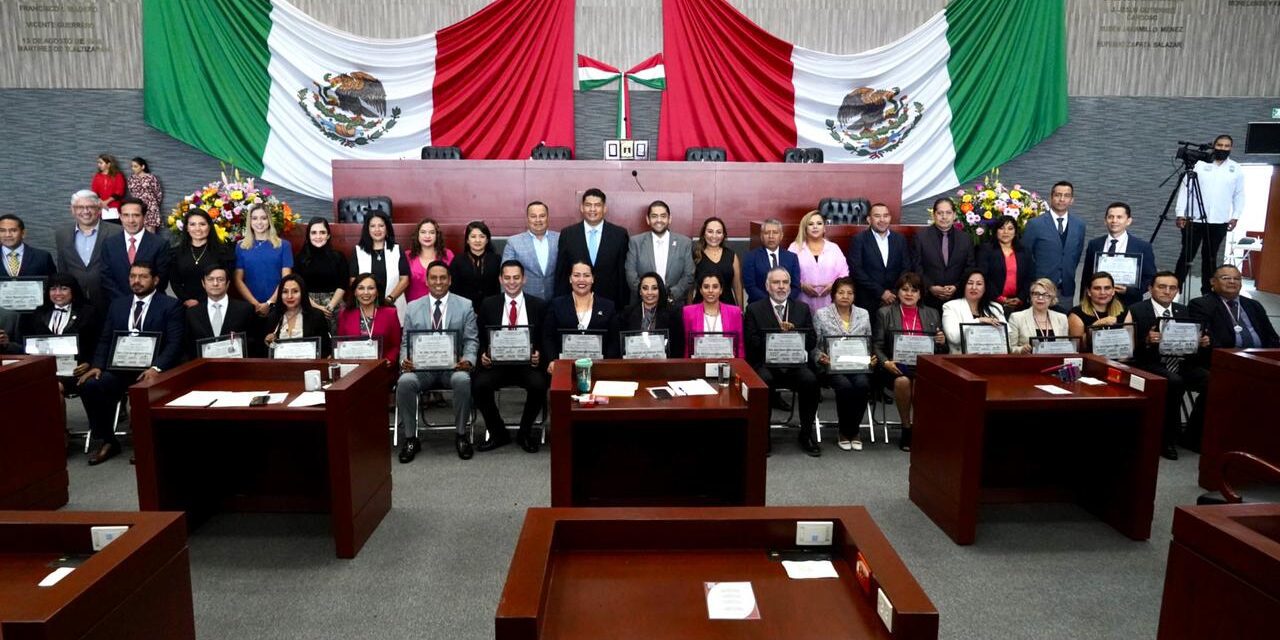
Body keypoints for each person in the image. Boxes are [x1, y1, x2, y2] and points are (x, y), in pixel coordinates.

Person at [77, 261, 184, 465]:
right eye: (133, 276)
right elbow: (106, 338)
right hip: (120, 368)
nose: (137, 281)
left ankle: (144, 443)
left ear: (155, 280)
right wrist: (97, 365)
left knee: (144, 388)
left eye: (143, 276)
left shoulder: (170, 305)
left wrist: (156, 367)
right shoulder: (118, 304)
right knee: (92, 384)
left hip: (153, 369)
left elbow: (175, 343)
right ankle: (107, 440)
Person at [1186, 264, 1280, 450]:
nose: (1232, 282)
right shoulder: (1201, 304)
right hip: (1222, 363)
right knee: (1222, 383)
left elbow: (1271, 336)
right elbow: (1206, 340)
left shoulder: (1253, 305)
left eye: (1236, 278)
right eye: (1226, 278)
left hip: (1259, 361)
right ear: (1213, 282)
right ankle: (1199, 438)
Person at [395, 261, 479, 462]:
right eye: (433, 278)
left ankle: (461, 435)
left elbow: (471, 340)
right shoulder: (413, 307)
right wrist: (404, 361)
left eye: (443, 278)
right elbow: (406, 341)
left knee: (462, 380)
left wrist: (468, 360)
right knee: (405, 382)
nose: (438, 282)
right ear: (426, 281)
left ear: (450, 280)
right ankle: (411, 438)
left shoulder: (465, 305)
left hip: (453, 367)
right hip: (422, 369)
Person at [1123, 271, 1210, 460]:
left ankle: (1192, 435)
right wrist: (1146, 340)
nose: (1167, 291)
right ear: (1150, 288)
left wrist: (1200, 342)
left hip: (1181, 361)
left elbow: (1191, 341)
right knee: (1174, 382)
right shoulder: (1137, 309)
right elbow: (1126, 347)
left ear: (1177, 291)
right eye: (1162, 287)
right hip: (1148, 363)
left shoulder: (1183, 310)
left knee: (1212, 380)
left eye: (1172, 288)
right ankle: (1167, 439)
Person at [472, 260, 547, 454]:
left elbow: (545, 338)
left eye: (516, 278)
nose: (511, 282)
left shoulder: (538, 305)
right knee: (479, 385)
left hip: (527, 364)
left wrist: (540, 354)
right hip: (497, 364)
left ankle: (525, 433)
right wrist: (483, 355)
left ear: (524, 279)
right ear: (500, 279)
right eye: (507, 278)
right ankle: (498, 432)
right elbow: (479, 337)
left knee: (539, 384)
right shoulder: (489, 304)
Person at [744, 267, 820, 456]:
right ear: (767, 286)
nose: (781, 287)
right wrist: (777, 337)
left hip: (795, 364)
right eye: (776, 283)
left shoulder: (801, 308)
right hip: (767, 364)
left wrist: (794, 335)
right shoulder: (754, 308)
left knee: (810, 380)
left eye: (785, 283)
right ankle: (763, 435)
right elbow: (751, 341)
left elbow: (811, 341)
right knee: (763, 381)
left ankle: (806, 433)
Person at [872, 272, 945, 452]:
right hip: (895, 366)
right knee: (903, 381)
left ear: (920, 294)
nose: (909, 294)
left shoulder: (932, 314)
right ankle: (906, 427)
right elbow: (877, 346)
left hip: (923, 366)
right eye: (904, 289)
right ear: (898, 292)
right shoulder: (885, 313)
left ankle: (921, 428)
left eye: (914, 290)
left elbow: (940, 350)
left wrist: (941, 342)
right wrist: (886, 362)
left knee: (924, 382)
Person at [1176, 135, 1246, 295]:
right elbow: (1185, 190)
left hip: (1219, 221)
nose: (1222, 148)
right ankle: (1175, 289)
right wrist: (1180, 213)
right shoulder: (1199, 165)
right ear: (1214, 146)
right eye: (1220, 145)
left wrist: (1235, 216)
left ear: (1231, 148)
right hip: (1194, 219)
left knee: (1210, 258)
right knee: (1186, 256)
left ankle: (1208, 293)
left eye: (1226, 146)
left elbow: (1239, 195)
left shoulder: (1236, 169)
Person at [812, 277, 876, 451]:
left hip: (857, 364)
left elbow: (868, 342)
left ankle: (853, 430)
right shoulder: (821, 314)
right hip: (832, 366)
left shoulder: (863, 314)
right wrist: (821, 357)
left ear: (854, 296)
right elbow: (814, 346)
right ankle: (844, 431)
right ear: (833, 295)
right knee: (845, 385)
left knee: (862, 384)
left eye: (849, 293)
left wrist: (871, 357)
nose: (845, 296)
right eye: (841, 292)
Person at [19, 273, 99, 395]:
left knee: (51, 388)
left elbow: (97, 343)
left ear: (73, 290)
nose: (58, 293)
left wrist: (89, 363)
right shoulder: (38, 313)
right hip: (43, 369)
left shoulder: (88, 312)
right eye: (53, 289)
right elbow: (27, 344)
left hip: (75, 370)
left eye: (64, 289)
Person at [554, 188, 629, 306]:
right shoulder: (568, 234)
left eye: (597, 205)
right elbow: (562, 272)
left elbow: (622, 275)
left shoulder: (619, 235)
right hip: (575, 304)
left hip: (610, 303)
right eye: (588, 205)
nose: (592, 209)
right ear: (582, 208)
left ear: (604, 208)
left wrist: (622, 306)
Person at [1021, 181, 1086, 307]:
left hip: (1066, 290)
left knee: (1063, 325)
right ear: (1051, 197)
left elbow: (1076, 256)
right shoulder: (1035, 224)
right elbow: (1025, 256)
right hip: (1040, 290)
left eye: (1066, 196)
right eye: (1058, 195)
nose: (1062, 199)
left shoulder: (1079, 225)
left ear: (1072, 200)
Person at [54, 190, 120, 315]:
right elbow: (63, 268)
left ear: (99, 209)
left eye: (90, 207)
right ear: (72, 210)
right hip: (76, 302)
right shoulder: (62, 234)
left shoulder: (117, 232)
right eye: (80, 207)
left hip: (109, 300)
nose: (85, 211)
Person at [1081, 202, 1157, 308]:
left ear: (1128, 221)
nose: (1114, 221)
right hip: (1097, 304)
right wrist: (1083, 302)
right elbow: (1087, 276)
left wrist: (1129, 290)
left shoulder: (1143, 247)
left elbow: (1150, 278)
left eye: (1119, 217)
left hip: (1128, 304)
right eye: (1110, 217)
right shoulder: (1094, 244)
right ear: (1105, 221)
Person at [543, 260, 618, 367]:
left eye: (586, 275)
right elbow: (548, 337)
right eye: (576, 275)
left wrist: (607, 365)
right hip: (564, 367)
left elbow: (613, 341)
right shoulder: (557, 305)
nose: (581, 280)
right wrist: (552, 360)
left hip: (599, 367)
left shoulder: (608, 306)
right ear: (570, 278)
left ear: (593, 279)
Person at [848, 203, 911, 322]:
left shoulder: (900, 239)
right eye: (877, 216)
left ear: (890, 218)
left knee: (893, 336)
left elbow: (906, 267)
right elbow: (856, 270)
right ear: (869, 219)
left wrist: (893, 292)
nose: (882, 220)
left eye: (885, 216)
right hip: (868, 299)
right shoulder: (859, 240)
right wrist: (881, 292)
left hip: (895, 298)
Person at [101, 197, 172, 303]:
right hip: (117, 305)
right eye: (126, 215)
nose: (131, 220)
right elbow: (105, 278)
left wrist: (140, 300)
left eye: (136, 215)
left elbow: (161, 279)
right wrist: (123, 301)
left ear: (144, 217)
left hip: (150, 304)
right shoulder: (109, 244)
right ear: (120, 217)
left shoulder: (160, 244)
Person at [625, 200, 695, 304]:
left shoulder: (684, 243)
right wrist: (647, 294)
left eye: (663, 216)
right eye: (654, 216)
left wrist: (671, 296)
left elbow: (689, 275)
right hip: (642, 304)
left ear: (669, 219)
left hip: (673, 303)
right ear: (648, 220)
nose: (659, 220)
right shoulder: (635, 242)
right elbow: (630, 273)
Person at [914, 197, 975, 310]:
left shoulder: (965, 238)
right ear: (934, 215)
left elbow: (970, 267)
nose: (944, 217)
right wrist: (930, 287)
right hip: (928, 300)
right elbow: (916, 266)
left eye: (948, 213)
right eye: (940, 213)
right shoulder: (921, 237)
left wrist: (957, 287)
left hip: (957, 299)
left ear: (955, 215)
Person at [183, 264, 254, 359]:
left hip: (237, 368)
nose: (215, 283)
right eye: (210, 279)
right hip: (203, 369)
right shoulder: (192, 313)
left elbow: (253, 342)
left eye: (220, 279)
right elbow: (187, 347)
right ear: (203, 283)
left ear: (228, 283)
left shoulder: (245, 309)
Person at [235, 203, 293, 318]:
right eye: (255, 218)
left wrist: (269, 303)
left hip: (278, 305)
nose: (259, 222)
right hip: (250, 306)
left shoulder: (283, 245)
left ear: (269, 220)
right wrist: (255, 304)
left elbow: (286, 278)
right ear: (250, 222)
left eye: (263, 218)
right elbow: (237, 279)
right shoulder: (241, 246)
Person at [170, 208, 236, 308]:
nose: (197, 229)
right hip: (187, 306)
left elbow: (227, 281)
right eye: (192, 224)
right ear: (187, 228)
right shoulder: (176, 252)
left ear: (209, 227)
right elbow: (175, 282)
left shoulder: (223, 252)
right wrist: (186, 300)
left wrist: (206, 301)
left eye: (202, 224)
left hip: (216, 304)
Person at [350, 211, 410, 321]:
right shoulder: (358, 251)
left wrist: (390, 299)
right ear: (367, 229)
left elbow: (404, 279)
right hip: (365, 308)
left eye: (381, 225)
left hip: (393, 306)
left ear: (387, 228)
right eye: (373, 226)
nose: (377, 230)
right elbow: (354, 281)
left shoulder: (396, 250)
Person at [293, 217, 350, 333]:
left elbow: (343, 284)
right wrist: (317, 308)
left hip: (334, 303)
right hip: (307, 304)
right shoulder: (299, 258)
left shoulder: (338, 257)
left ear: (328, 235)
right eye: (314, 233)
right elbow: (298, 287)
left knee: (336, 342)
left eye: (322, 232)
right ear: (308, 235)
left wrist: (330, 307)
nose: (318, 236)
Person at [787, 210, 848, 314]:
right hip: (802, 302)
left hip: (830, 303)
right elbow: (786, 273)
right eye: (810, 224)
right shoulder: (794, 247)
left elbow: (844, 273)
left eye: (819, 224)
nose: (815, 227)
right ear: (805, 228)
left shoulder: (834, 248)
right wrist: (801, 285)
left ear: (824, 228)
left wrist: (834, 285)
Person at [336, 272, 401, 364]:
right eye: (361, 288)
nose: (366, 292)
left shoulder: (390, 313)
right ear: (355, 292)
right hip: (353, 368)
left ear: (377, 292)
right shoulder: (345, 314)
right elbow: (340, 344)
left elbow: (396, 345)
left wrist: (389, 360)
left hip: (381, 368)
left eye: (371, 288)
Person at [976, 216, 1034, 316]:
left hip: (1020, 304)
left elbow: (1030, 277)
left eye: (1010, 228)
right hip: (992, 302)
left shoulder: (1024, 251)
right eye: (1001, 228)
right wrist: (1001, 299)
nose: (1005, 232)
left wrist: (1020, 298)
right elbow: (983, 276)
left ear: (1015, 232)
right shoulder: (986, 249)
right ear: (996, 231)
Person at [262, 274, 331, 357]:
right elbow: (267, 351)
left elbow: (326, 349)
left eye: (295, 291)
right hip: (281, 366)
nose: (290, 296)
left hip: (309, 367)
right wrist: (268, 342)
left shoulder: (316, 316)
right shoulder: (273, 317)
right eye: (285, 292)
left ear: (303, 293)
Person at [941, 268, 1008, 354]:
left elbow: (1007, 337)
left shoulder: (995, 308)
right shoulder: (951, 306)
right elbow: (954, 338)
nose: (974, 287)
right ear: (964, 286)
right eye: (970, 283)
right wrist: (979, 320)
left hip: (993, 359)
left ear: (985, 288)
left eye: (979, 284)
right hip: (961, 361)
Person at [502, 201, 559, 301]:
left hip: (555, 300)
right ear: (527, 219)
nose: (538, 220)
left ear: (547, 217)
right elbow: (505, 274)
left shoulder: (560, 239)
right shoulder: (514, 242)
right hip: (526, 301)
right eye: (533, 216)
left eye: (542, 216)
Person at [617, 272, 681, 357]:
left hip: (662, 366)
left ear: (660, 291)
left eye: (654, 288)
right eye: (645, 288)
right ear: (640, 291)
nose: (649, 292)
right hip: (633, 364)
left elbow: (677, 349)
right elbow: (619, 347)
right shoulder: (627, 313)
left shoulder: (672, 315)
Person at [681, 272, 745, 357]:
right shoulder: (688, 312)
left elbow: (740, 346)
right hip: (698, 364)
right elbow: (687, 347)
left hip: (727, 364)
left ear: (721, 290)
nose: (710, 291)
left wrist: (738, 368)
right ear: (700, 290)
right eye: (706, 287)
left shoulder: (734, 312)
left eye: (715, 287)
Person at [743, 218, 800, 304]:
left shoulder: (792, 257)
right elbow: (750, 287)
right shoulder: (751, 257)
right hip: (759, 306)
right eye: (767, 233)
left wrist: (783, 302)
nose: (771, 236)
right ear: (761, 236)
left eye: (775, 232)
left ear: (781, 236)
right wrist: (771, 303)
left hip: (786, 306)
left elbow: (796, 286)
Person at [1007, 278, 1071, 353]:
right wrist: (1021, 350)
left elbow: (1065, 348)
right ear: (1031, 296)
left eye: (1045, 295)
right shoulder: (1016, 318)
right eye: (1036, 294)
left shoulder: (1062, 318)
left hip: (1055, 363)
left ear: (1052, 298)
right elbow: (1010, 349)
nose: (1040, 298)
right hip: (1027, 362)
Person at [690, 216, 743, 307]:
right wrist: (689, 310)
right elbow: (690, 288)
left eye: (718, 232)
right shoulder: (695, 255)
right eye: (710, 231)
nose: (714, 236)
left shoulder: (731, 256)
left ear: (723, 235)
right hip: (700, 308)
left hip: (728, 307)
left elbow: (737, 287)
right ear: (704, 234)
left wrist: (740, 311)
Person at [1068, 272, 1127, 349]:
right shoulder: (1076, 313)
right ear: (1089, 292)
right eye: (1097, 288)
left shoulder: (1124, 311)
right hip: (1090, 359)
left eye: (1107, 288)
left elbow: (1129, 344)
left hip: (1118, 358)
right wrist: (1095, 327)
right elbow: (1076, 347)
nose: (1102, 292)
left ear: (1113, 291)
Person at [449, 220, 501, 308]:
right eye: (473, 236)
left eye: (482, 236)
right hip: (464, 309)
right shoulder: (458, 260)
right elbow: (453, 289)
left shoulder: (497, 260)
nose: (477, 240)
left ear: (487, 240)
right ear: (467, 240)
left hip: (491, 308)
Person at [405, 218, 454, 303]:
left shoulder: (447, 255)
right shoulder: (407, 256)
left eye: (431, 232)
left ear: (437, 235)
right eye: (423, 232)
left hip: (442, 305)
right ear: (417, 235)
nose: (427, 236)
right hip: (414, 307)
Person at [126, 157, 164, 233]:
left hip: (150, 208)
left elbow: (158, 193)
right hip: (137, 207)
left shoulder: (150, 178)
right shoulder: (131, 179)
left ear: (143, 167)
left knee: (150, 232)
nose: (133, 168)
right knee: (137, 230)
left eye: (135, 166)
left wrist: (153, 204)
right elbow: (131, 192)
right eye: (132, 166)